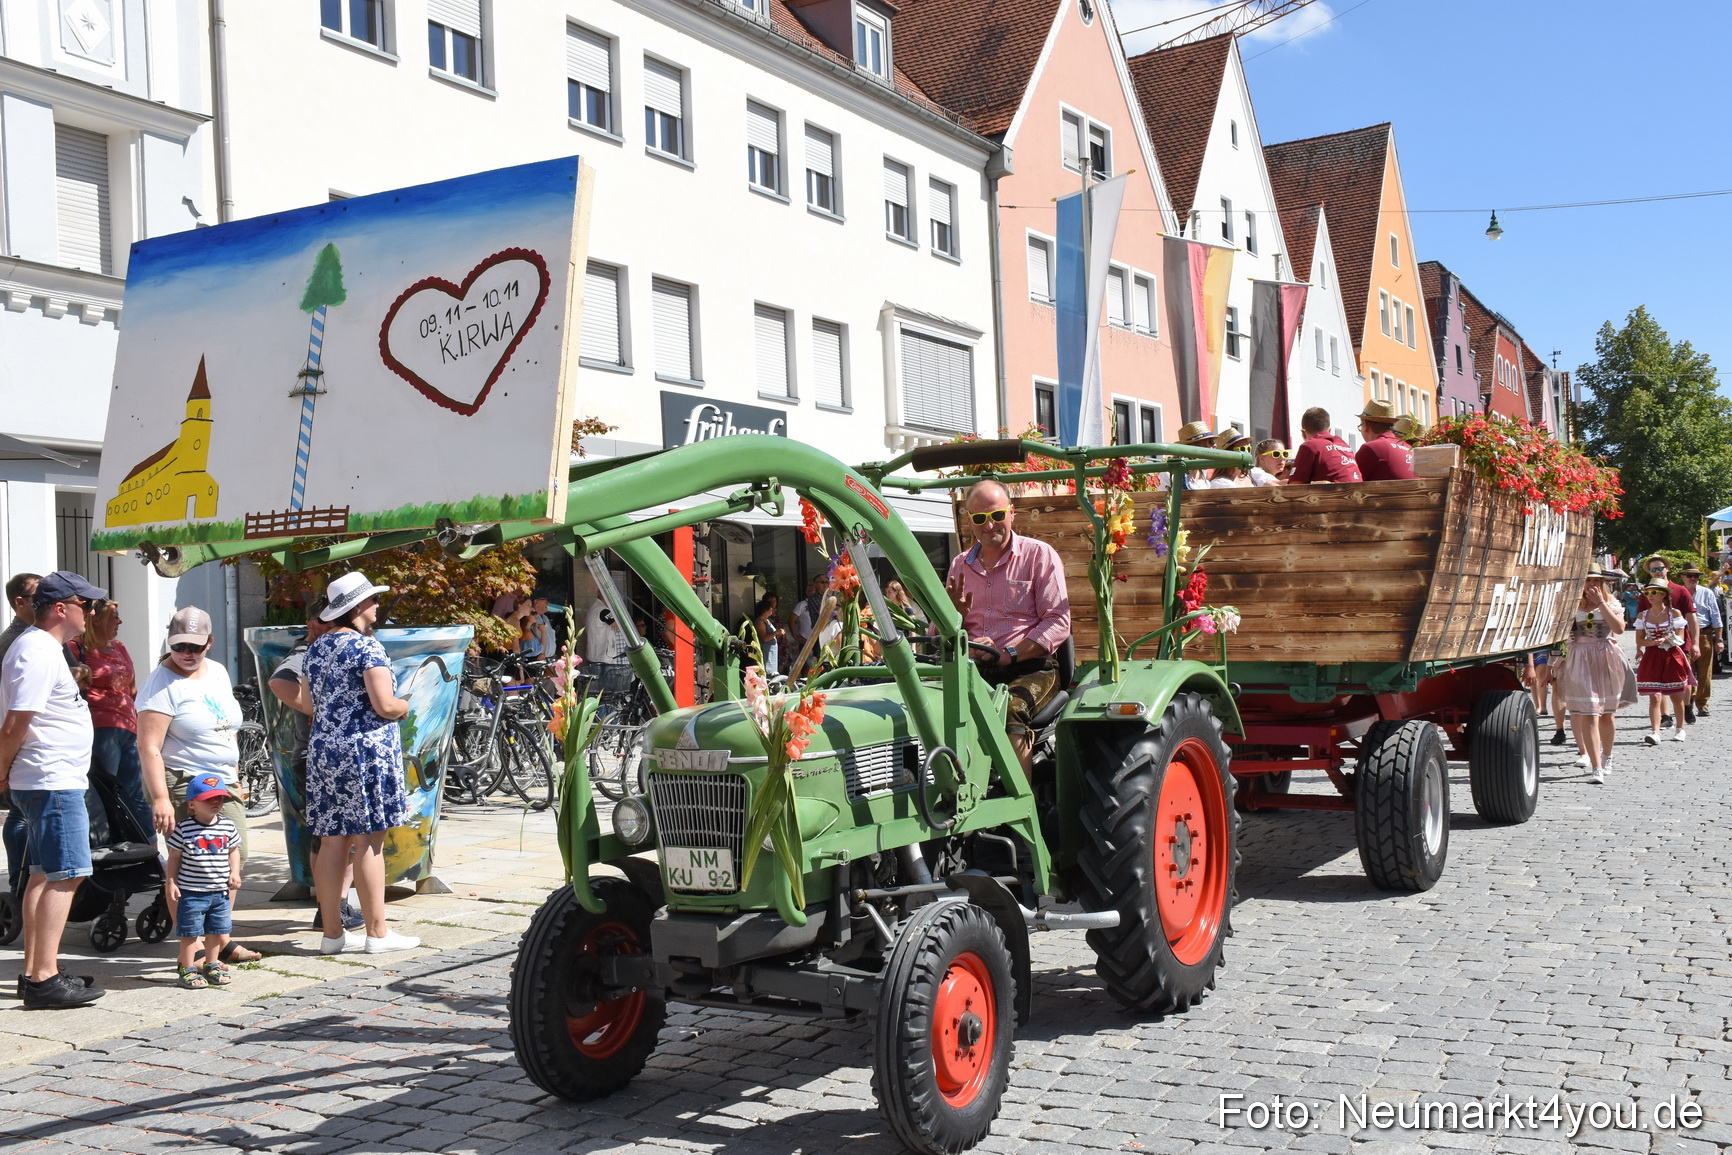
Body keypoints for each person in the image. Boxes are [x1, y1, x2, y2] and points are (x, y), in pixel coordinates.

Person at [0, 570, 107, 1008]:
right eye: (86, 604)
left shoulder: (42, 648)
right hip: (51, 780)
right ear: (61, 608)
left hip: (51, 778)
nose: (93, 611)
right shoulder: (39, 650)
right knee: (70, 872)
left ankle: (35, 972)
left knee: (46, 875)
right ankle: (44, 979)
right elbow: (15, 723)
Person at [136, 605, 262, 965]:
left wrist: (234, 773)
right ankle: (191, 951)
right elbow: (148, 747)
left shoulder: (218, 672)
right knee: (193, 865)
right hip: (183, 781)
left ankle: (218, 939)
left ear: (210, 642)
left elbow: (227, 729)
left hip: (222, 780)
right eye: (179, 647)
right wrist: (160, 797)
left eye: (196, 646)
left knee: (232, 858)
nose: (187, 654)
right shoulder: (161, 685)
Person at [304, 571, 419, 955]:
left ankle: (332, 935)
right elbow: (385, 704)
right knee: (370, 844)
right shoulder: (367, 648)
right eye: (371, 600)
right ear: (355, 608)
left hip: (325, 751)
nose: (376, 605)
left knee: (332, 842)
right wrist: (405, 706)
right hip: (364, 754)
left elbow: (307, 703)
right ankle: (378, 934)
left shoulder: (317, 648)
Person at [945, 479, 1071, 776]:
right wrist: (954, 617)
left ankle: (1019, 811)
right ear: (970, 522)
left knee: (1010, 707)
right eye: (979, 518)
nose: (989, 525)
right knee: (933, 708)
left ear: (1012, 513)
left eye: (996, 515)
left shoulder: (1039, 555)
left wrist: (1007, 653)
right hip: (973, 669)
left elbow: (1058, 622)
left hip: (1030, 667)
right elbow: (941, 631)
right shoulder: (959, 565)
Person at [268, 597, 363, 932]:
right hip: (313, 757)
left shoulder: (329, 649)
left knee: (339, 837)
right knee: (329, 839)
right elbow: (279, 682)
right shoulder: (305, 652)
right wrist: (315, 710)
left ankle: (334, 908)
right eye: (329, 621)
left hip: (324, 756)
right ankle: (330, 909)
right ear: (313, 625)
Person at [69, 599, 149, 838]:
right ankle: (109, 845)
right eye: (114, 617)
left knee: (134, 792)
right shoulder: (76, 648)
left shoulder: (120, 647)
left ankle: (147, 847)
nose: (120, 621)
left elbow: (132, 688)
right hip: (101, 728)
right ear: (97, 619)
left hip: (127, 726)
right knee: (108, 790)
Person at [166, 775, 242, 989]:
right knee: (190, 933)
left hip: (220, 892)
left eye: (219, 797)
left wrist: (234, 872)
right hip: (192, 892)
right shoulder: (184, 829)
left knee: (216, 931)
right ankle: (187, 969)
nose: (215, 802)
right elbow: (174, 857)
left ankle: (212, 964)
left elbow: (234, 850)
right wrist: (171, 882)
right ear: (192, 805)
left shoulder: (227, 826)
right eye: (208, 798)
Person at [1554, 571, 1627, 783]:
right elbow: (1564, 635)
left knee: (1606, 715)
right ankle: (1596, 767)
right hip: (1579, 658)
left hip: (1604, 657)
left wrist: (1601, 602)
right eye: (1588, 579)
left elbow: (1619, 629)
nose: (1592, 583)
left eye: (1597, 580)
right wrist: (1556, 662)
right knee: (1589, 713)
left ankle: (1608, 755)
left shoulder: (1611, 602)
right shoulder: (1572, 603)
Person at [1, 572, 42, 891]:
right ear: (20, 602)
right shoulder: (15, 640)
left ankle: (26, 882)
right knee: (19, 812)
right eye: (39, 597)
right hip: (20, 741)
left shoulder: (38, 635)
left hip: (33, 742)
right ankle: (19, 883)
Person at [1642, 556, 1698, 726]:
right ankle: (1666, 716)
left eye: (1660, 568)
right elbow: (1641, 620)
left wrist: (1695, 642)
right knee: (1659, 681)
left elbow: (1692, 618)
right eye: (1653, 569)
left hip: (1680, 642)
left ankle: (1686, 706)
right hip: (1655, 644)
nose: (1657, 571)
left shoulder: (1680, 590)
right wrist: (1643, 644)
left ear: (1667, 568)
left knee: (1682, 679)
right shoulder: (1647, 593)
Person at [1634, 582, 1692, 745]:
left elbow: (1680, 638)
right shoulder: (1642, 616)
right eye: (1647, 593)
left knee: (1676, 695)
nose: (1650, 596)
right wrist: (1651, 643)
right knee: (1655, 696)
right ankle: (1655, 732)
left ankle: (1680, 729)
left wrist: (1666, 639)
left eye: (1654, 593)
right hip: (1652, 656)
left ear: (1663, 595)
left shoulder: (1674, 613)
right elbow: (1639, 640)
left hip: (1672, 655)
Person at [1680, 564, 1721, 716]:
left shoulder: (1707, 593)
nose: (1693, 579)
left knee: (1705, 671)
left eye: (1696, 576)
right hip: (1683, 636)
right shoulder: (1678, 593)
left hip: (1704, 634)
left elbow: (1716, 616)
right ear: (1682, 577)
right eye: (1690, 576)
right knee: (1686, 670)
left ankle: (1702, 703)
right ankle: (1688, 699)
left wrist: (1719, 639)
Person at [1288, 408, 1362, 484]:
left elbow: (1295, 486)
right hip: (1357, 493)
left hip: (1334, 494)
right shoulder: (1345, 445)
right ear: (1329, 431)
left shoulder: (1309, 446)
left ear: (1303, 433)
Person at [1354, 399, 1416, 481]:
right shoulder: (1410, 448)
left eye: (1360, 426)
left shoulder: (1371, 448)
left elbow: (1351, 482)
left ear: (1366, 425)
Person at [749, 594, 786, 674]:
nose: (772, 610)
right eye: (770, 609)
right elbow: (764, 638)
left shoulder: (767, 620)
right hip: (766, 651)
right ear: (765, 610)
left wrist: (778, 634)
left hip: (772, 652)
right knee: (767, 672)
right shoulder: (760, 622)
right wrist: (776, 632)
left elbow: (771, 635)